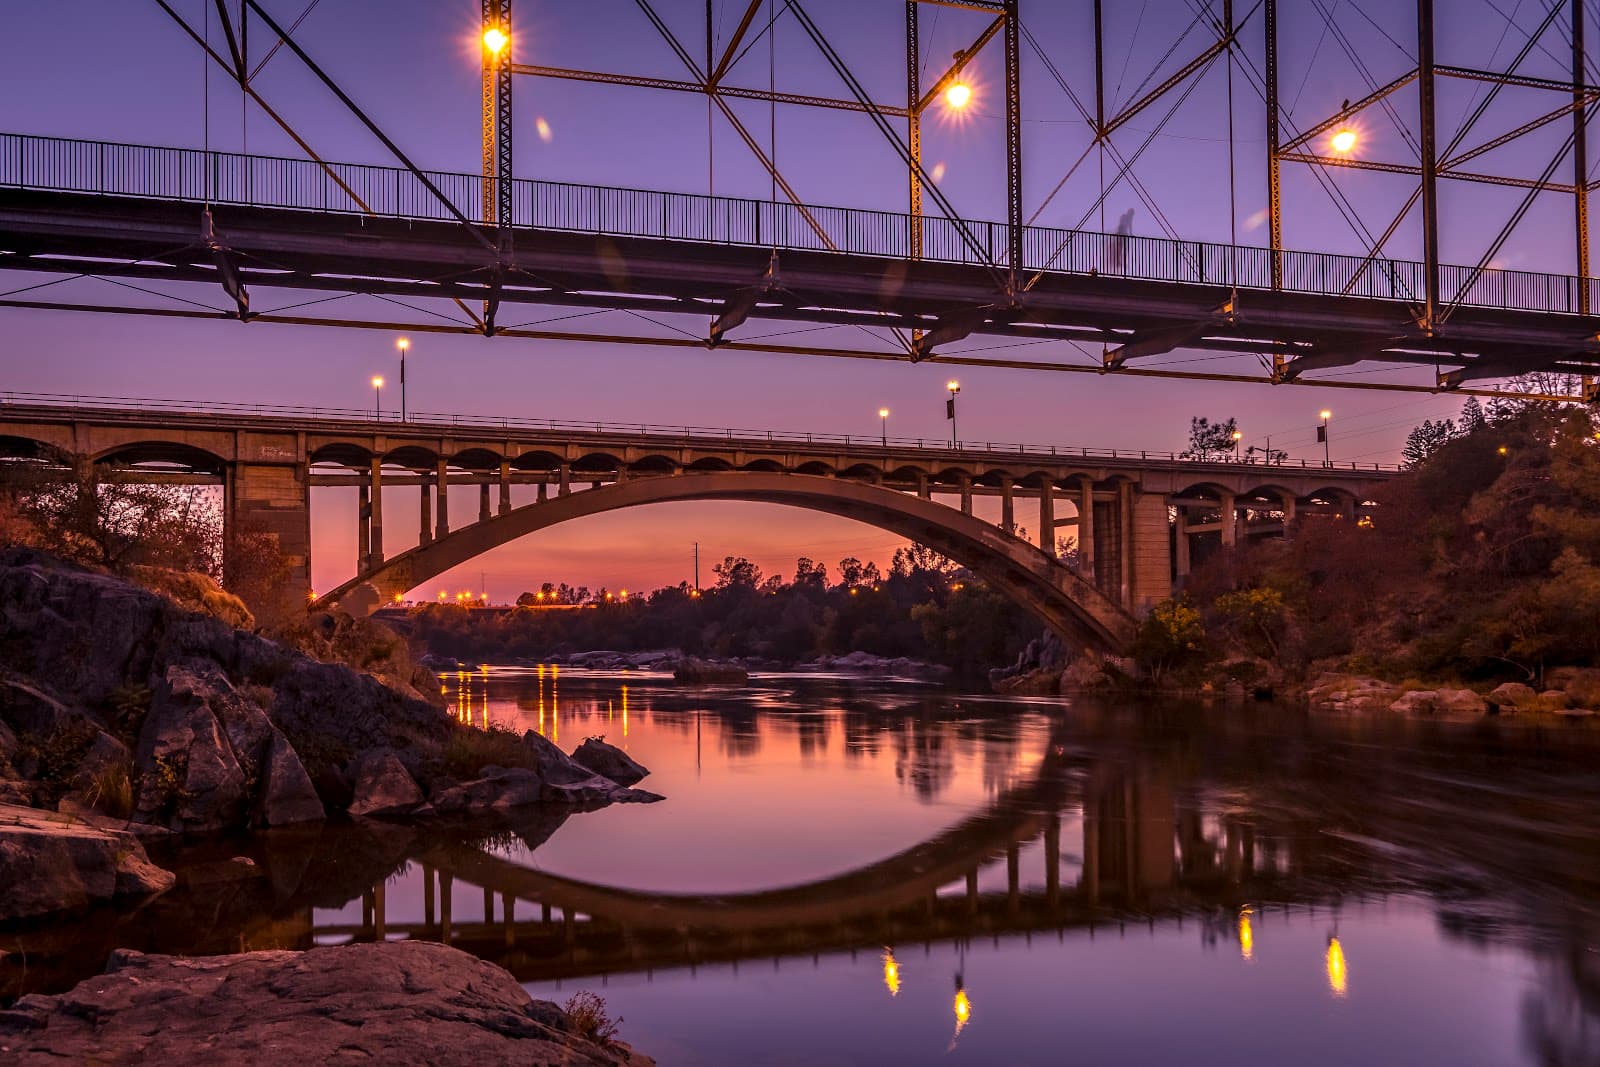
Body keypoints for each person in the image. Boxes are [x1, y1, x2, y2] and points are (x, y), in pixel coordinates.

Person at [1106, 207, 1135, 274]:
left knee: (1121, 248)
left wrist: (1130, 234)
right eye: (1132, 214)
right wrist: (1128, 233)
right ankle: (1117, 260)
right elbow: (1122, 225)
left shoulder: (1128, 218)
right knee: (1119, 247)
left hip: (1123, 233)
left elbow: (1129, 226)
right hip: (1121, 233)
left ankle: (1118, 261)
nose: (1132, 215)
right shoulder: (1125, 217)